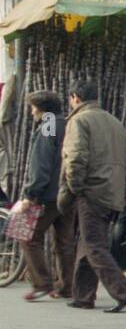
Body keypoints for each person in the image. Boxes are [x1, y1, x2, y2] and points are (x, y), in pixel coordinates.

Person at [58, 80, 126, 312]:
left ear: (75, 97)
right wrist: (125, 191)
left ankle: (124, 292)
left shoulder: (79, 120)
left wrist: (75, 187)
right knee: (88, 243)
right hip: (112, 191)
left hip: (91, 191)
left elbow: (75, 158)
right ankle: (83, 296)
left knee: (94, 246)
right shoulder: (114, 121)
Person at [14, 91, 75, 301]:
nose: (31, 112)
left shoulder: (48, 125)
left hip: (47, 194)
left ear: (42, 109)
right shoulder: (68, 123)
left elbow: (42, 163)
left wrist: (31, 194)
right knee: (65, 241)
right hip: (68, 193)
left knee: (27, 235)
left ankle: (42, 283)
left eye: (33, 108)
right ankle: (67, 286)